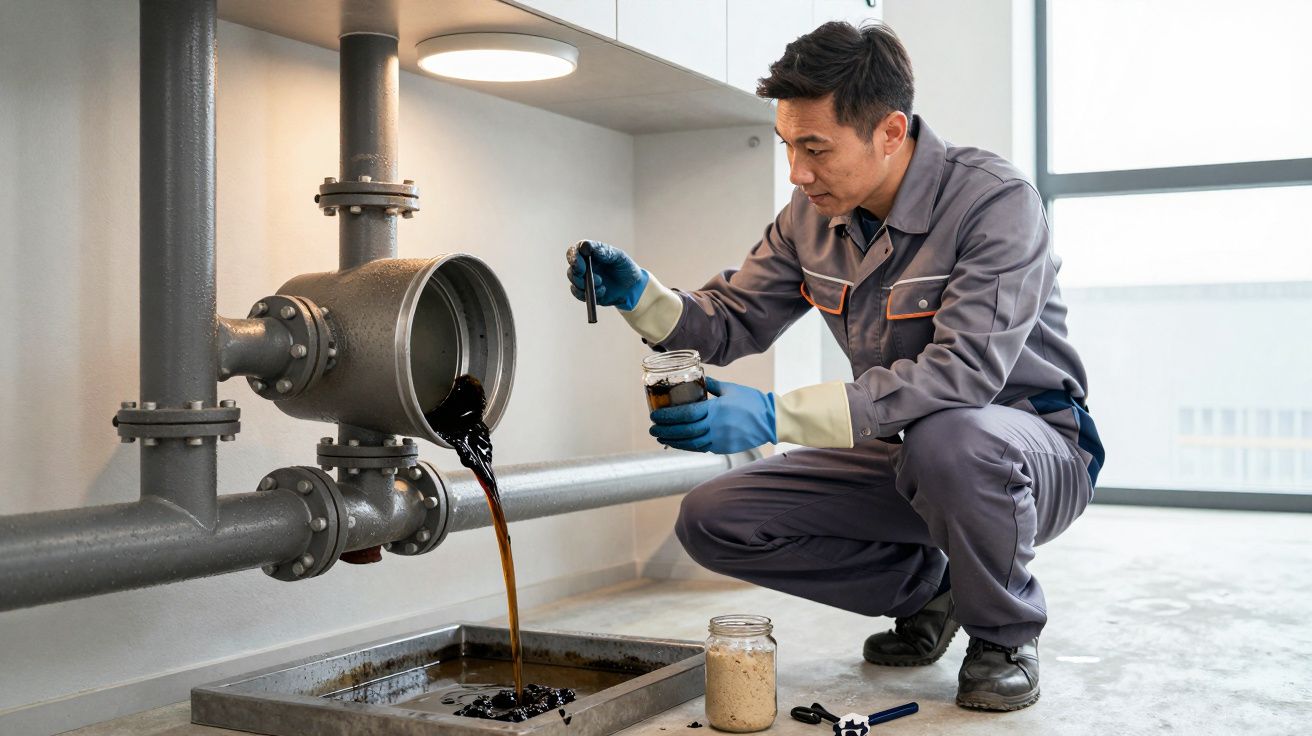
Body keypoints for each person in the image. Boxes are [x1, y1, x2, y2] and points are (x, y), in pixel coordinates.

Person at [565, 21, 1103, 712]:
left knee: (952, 437)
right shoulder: (809, 216)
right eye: (789, 145)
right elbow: (729, 320)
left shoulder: (995, 202)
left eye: (815, 148)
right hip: (903, 454)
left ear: (889, 130)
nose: (797, 171)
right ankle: (933, 590)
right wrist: (641, 295)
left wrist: (771, 414)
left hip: (1028, 451)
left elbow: (963, 374)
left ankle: (1003, 635)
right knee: (712, 517)